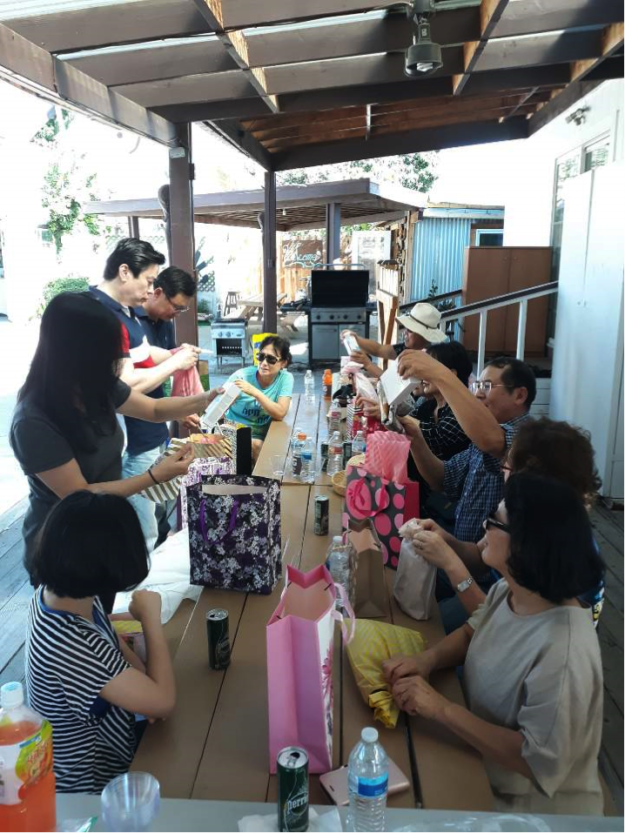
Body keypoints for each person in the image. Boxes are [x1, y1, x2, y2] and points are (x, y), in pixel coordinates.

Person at [385, 473, 605, 816]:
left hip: (528, 812)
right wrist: (427, 660)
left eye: (495, 520)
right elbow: (474, 631)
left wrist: (441, 709)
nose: (484, 526)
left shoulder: (563, 651)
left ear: (526, 544)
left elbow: (535, 760)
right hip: (477, 761)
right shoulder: (513, 590)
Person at [10, 292, 220, 576]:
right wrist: (153, 477)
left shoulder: (95, 384)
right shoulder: (33, 421)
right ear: (72, 352)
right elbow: (78, 494)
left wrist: (207, 398)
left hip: (103, 531)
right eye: (105, 351)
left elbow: (154, 409)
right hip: (62, 547)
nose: (115, 360)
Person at [25, 491, 175, 794]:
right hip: (91, 788)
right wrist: (150, 618)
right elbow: (164, 702)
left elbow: (112, 645)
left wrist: (145, 686)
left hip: (107, 747)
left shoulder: (61, 595)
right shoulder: (73, 646)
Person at [410, 418, 605, 630]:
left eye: (505, 467)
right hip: (495, 611)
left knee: (429, 624)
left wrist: (451, 564)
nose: (503, 473)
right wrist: (444, 539)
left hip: (506, 629)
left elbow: (505, 627)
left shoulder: (557, 547)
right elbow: (479, 556)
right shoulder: (523, 512)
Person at [399, 354, 536, 545]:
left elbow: (494, 442)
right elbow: (442, 478)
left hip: (494, 563)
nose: (478, 394)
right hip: (468, 554)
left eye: (487, 386)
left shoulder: (530, 438)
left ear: (519, 395)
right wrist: (415, 438)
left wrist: (438, 373)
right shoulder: (483, 435)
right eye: (477, 386)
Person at [124, 265, 200, 550]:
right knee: (142, 525)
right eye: (176, 307)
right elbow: (130, 385)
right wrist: (175, 361)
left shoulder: (164, 323)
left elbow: (165, 375)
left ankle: (157, 559)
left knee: (160, 509)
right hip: (135, 435)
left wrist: (179, 409)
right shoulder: (130, 324)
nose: (177, 314)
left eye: (182, 310)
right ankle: (143, 573)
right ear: (157, 292)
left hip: (157, 428)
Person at [224, 335, 294, 454]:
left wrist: (255, 392)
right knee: (257, 446)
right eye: (261, 357)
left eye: (271, 359)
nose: (264, 363)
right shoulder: (241, 377)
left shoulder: (285, 378)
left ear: (283, 363)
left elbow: (280, 413)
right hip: (234, 430)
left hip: (263, 434)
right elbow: (216, 409)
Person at [342, 301, 447, 378]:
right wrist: (356, 339)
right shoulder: (408, 349)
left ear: (424, 335)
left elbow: (393, 386)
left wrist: (368, 364)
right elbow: (379, 349)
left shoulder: (428, 359)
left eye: (410, 330)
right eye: (406, 328)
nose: (405, 333)